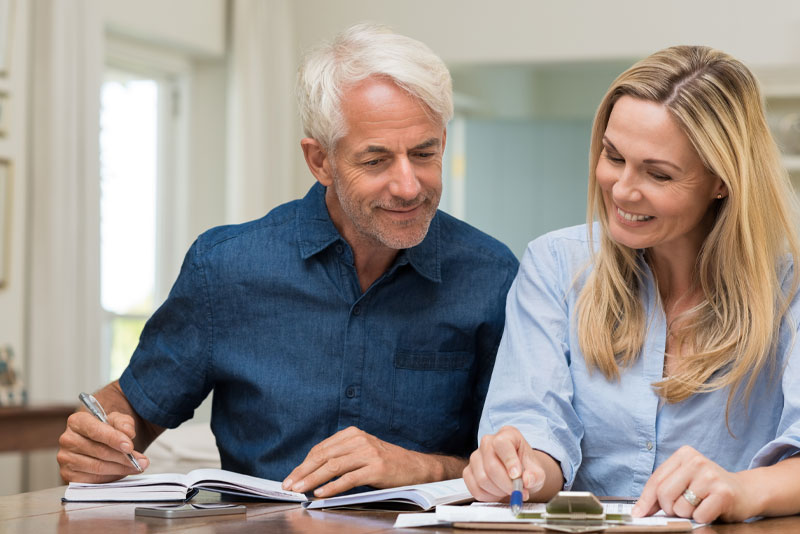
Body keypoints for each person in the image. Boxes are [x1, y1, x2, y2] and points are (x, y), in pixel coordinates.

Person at [57, 23, 519, 498]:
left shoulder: (491, 276)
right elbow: (135, 409)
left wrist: (414, 467)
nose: (408, 186)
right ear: (320, 161)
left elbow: (517, 466)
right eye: (376, 161)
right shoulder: (224, 268)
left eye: (425, 153)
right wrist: (98, 444)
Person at [463, 45, 800, 524]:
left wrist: (743, 488)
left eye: (658, 173)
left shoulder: (790, 290)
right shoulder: (556, 265)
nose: (622, 190)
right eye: (613, 156)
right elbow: (538, 431)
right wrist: (519, 468)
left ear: (722, 181)